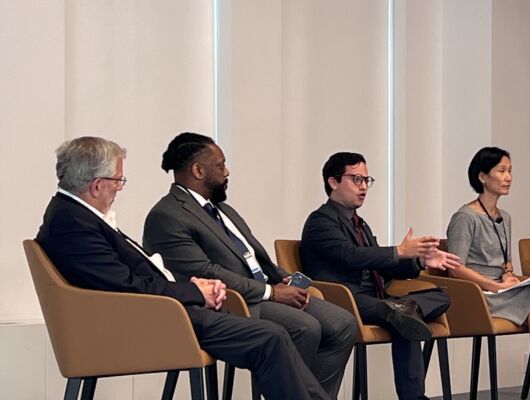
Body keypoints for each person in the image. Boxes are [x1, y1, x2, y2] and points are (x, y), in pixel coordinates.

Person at [36, 136, 330, 399]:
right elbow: (126, 284)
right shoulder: (72, 223)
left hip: (163, 312)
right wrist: (195, 292)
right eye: (118, 181)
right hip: (153, 321)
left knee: (273, 335)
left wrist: (196, 287)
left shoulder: (75, 215)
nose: (120, 188)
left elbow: (143, 271)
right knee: (270, 337)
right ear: (97, 185)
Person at [143, 132, 357, 398]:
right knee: (305, 327)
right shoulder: (167, 215)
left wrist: (281, 279)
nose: (227, 172)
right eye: (220, 165)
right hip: (235, 302)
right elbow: (205, 272)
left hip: (265, 291)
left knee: (343, 323)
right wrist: (271, 292)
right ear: (198, 170)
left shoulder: (223, 210)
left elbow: (254, 257)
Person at [300, 152, 461, 400]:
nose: (364, 187)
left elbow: (383, 266)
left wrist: (419, 261)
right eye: (356, 179)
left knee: (439, 298)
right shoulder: (320, 222)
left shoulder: (360, 224)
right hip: (346, 299)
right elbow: (350, 256)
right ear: (333, 182)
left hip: (378, 299)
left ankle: (402, 309)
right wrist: (399, 250)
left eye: (367, 180)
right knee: (405, 319)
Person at [445, 147, 530, 399]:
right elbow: (455, 268)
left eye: (510, 171)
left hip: (502, 290)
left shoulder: (504, 217)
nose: (508, 177)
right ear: (482, 176)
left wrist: (509, 274)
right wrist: (494, 285)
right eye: (501, 171)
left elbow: (505, 261)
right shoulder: (465, 217)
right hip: (478, 294)